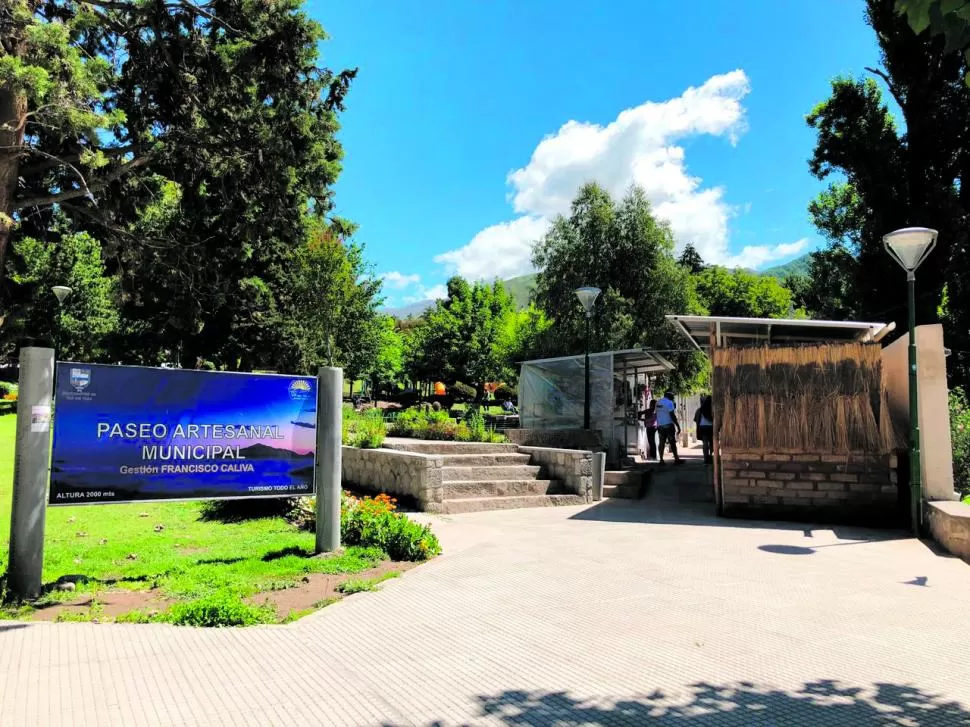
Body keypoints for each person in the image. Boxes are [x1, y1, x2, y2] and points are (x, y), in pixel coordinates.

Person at [655, 390, 683, 465]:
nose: (673, 397)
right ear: (669, 395)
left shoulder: (658, 402)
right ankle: (676, 459)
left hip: (660, 426)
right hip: (668, 425)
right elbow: (672, 415)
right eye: (672, 396)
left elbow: (657, 414)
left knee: (661, 442)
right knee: (672, 442)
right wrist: (678, 426)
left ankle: (661, 460)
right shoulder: (669, 403)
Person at [694, 395, 714, 465]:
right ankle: (711, 455)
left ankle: (705, 458)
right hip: (711, 427)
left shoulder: (700, 410)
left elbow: (696, 420)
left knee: (705, 443)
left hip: (703, 428)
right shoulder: (712, 409)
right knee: (712, 442)